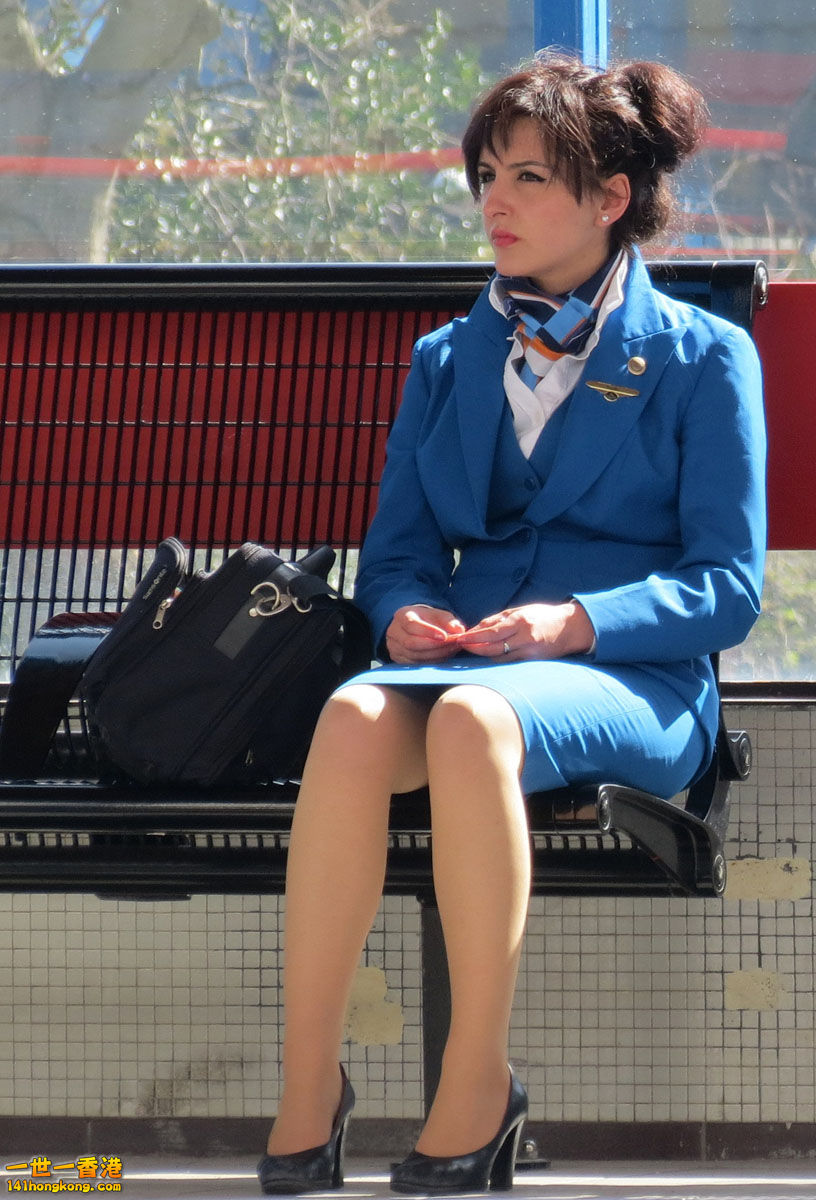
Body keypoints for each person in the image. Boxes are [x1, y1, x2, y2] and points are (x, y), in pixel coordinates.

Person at [257, 51, 766, 1196]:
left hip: (633, 676)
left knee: (472, 727)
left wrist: (573, 621)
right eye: (487, 173)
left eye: (530, 176)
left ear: (611, 197)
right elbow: (393, 556)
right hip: (471, 669)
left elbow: (727, 588)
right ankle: (309, 1084)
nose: (495, 200)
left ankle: (476, 1086)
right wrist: (405, 618)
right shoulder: (449, 358)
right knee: (350, 720)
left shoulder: (702, 357)